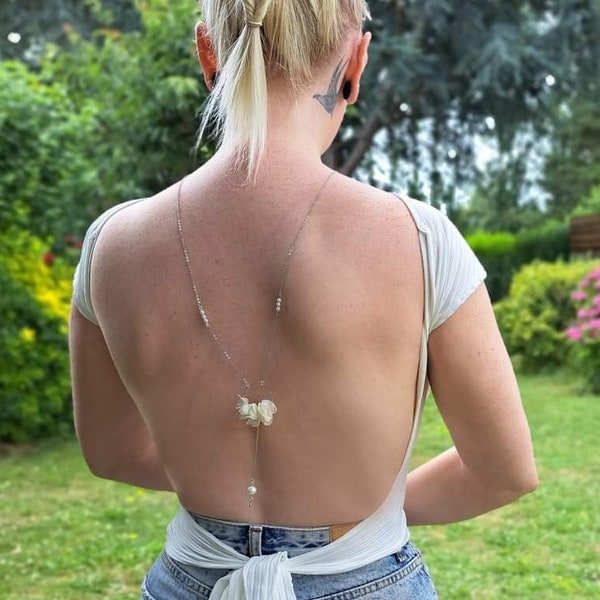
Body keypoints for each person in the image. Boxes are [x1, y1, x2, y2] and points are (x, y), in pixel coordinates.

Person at [69, 1, 538, 599]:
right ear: (357, 60)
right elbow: (505, 471)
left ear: (208, 54)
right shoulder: (420, 241)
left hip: (188, 582)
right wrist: (366, 514)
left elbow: (110, 453)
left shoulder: (112, 245)